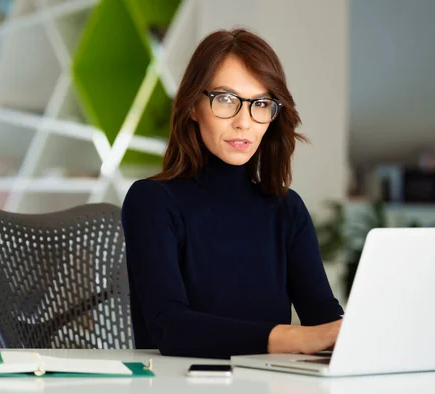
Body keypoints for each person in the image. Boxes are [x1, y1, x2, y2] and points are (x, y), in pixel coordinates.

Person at [121, 28, 343, 359]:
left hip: (267, 388)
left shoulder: (286, 210)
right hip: (179, 388)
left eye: (261, 104)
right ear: (193, 106)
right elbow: (171, 328)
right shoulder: (151, 201)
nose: (244, 122)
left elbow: (322, 315)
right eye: (225, 100)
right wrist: (293, 338)